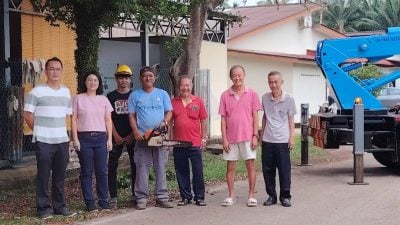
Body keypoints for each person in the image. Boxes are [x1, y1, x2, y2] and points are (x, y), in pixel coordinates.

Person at [23, 57, 76, 219]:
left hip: (61, 140)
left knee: (60, 176)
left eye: (58, 69)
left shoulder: (66, 91)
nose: (55, 71)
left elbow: (68, 115)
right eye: (51, 68)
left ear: (61, 71)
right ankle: (43, 209)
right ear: (46, 71)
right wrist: (39, 131)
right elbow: (27, 114)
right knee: (43, 175)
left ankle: (59, 206)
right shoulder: (36, 91)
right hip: (44, 141)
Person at [128, 66, 174, 210]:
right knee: (142, 168)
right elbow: (131, 115)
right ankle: (141, 198)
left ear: (155, 78)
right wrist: (135, 131)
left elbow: (169, 112)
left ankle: (162, 197)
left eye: (150, 75)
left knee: (160, 167)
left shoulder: (163, 94)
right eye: (145, 76)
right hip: (142, 138)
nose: (148, 78)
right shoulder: (135, 95)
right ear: (140, 78)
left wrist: (164, 122)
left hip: (159, 138)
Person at [219, 65, 261, 207]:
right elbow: (223, 118)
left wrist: (255, 135)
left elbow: (255, 116)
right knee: (230, 167)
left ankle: (251, 196)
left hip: (248, 137)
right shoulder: (225, 95)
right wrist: (224, 138)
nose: (237, 78)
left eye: (239, 75)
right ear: (230, 77)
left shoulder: (252, 94)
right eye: (234, 75)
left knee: (250, 166)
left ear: (244, 75)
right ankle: (231, 195)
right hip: (231, 138)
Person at [71, 71, 113, 212]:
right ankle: (89, 202)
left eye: (95, 80)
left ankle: (103, 200)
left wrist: (110, 139)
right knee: (87, 171)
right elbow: (74, 119)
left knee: (102, 171)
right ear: (85, 82)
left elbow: (108, 120)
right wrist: (75, 139)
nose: (92, 82)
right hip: (84, 139)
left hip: (101, 138)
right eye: (90, 80)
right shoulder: (78, 98)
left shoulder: (104, 100)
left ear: (99, 83)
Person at [261, 70, 296, 207]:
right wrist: (261, 135)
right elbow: (264, 117)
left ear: (281, 82)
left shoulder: (289, 98)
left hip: (282, 140)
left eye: (276, 82)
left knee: (284, 170)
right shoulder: (264, 97)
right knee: (268, 170)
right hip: (268, 140)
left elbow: (291, 119)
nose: (273, 85)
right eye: (270, 82)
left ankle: (285, 196)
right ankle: (271, 196)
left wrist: (291, 137)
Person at [171, 75, 208, 207]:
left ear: (191, 87)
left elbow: (203, 120)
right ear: (179, 87)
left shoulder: (198, 101)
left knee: (198, 171)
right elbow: (170, 122)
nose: (185, 87)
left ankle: (199, 197)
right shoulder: (173, 102)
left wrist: (204, 138)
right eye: (183, 85)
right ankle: (185, 197)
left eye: (188, 85)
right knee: (181, 170)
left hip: (195, 142)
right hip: (179, 143)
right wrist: (170, 140)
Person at [106, 65, 136, 207]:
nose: (124, 80)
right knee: (111, 166)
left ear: (130, 79)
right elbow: (108, 118)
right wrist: (115, 135)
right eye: (121, 77)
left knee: (135, 164)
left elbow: (138, 116)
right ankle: (113, 196)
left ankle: (135, 194)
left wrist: (132, 134)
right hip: (115, 135)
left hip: (133, 135)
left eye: (126, 77)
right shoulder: (110, 96)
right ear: (116, 79)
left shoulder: (135, 95)